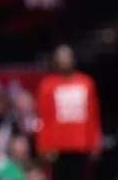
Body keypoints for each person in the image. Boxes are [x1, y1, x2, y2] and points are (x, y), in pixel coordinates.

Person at [35, 44, 102, 180]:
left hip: (81, 143)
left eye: (67, 57)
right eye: (60, 58)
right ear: (55, 61)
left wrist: (95, 143)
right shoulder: (47, 85)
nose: (64, 61)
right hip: (57, 145)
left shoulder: (86, 83)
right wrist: (44, 146)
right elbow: (44, 118)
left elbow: (93, 115)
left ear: (73, 59)